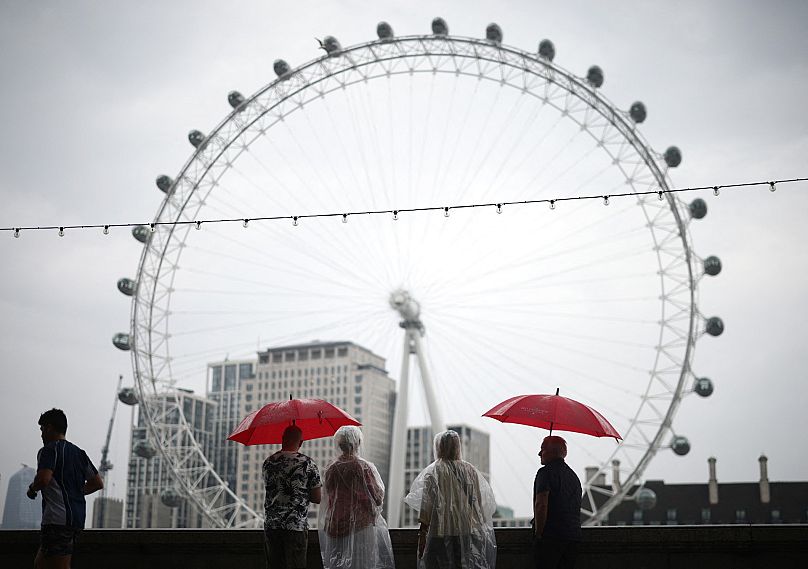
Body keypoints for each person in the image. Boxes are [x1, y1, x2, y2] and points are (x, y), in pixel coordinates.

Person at [405, 430, 497, 569]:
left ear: (439, 447)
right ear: (458, 447)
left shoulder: (434, 470)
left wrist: (422, 534)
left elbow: (427, 506)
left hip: (440, 531)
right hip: (467, 530)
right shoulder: (469, 470)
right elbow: (477, 502)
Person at [27, 408, 104, 569]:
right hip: (76, 519)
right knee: (40, 564)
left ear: (49, 428)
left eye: (42, 430)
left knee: (60, 565)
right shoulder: (79, 453)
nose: (41, 435)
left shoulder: (49, 450)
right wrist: (74, 492)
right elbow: (97, 483)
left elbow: (43, 478)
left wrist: (32, 488)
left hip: (57, 520)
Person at [318, 425, 394, 569]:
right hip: (361, 527)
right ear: (358, 442)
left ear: (339, 444)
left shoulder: (331, 469)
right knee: (363, 564)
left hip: (335, 527)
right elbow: (377, 498)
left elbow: (328, 498)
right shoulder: (363, 467)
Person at [262, 424, 322, 569]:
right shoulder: (307, 463)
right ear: (301, 442)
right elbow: (317, 498)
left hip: (272, 525)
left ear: (282, 439)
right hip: (296, 526)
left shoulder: (268, 462)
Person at [532, 435, 582, 569]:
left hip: (551, 537)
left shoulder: (545, 473)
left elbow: (541, 504)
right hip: (573, 538)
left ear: (552, 452)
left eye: (542, 449)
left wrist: (538, 534)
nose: (539, 453)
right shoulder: (573, 477)